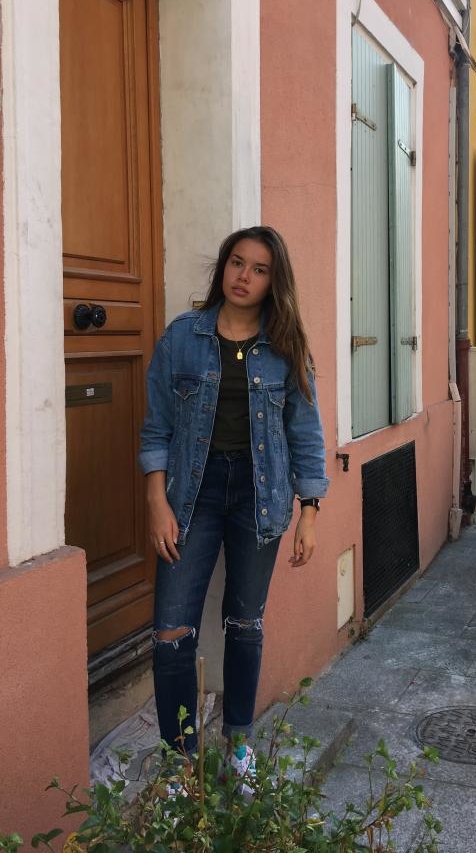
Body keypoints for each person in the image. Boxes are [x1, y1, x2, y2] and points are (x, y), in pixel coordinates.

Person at [139, 226, 328, 786]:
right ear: (223, 267)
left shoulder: (286, 346)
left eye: (259, 269)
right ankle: (180, 763)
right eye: (237, 263)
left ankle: (238, 744)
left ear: (274, 281)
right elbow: (156, 427)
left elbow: (305, 433)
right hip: (190, 497)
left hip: (258, 497)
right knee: (171, 631)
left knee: (244, 623)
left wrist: (309, 511)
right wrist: (155, 499)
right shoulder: (182, 338)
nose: (244, 276)